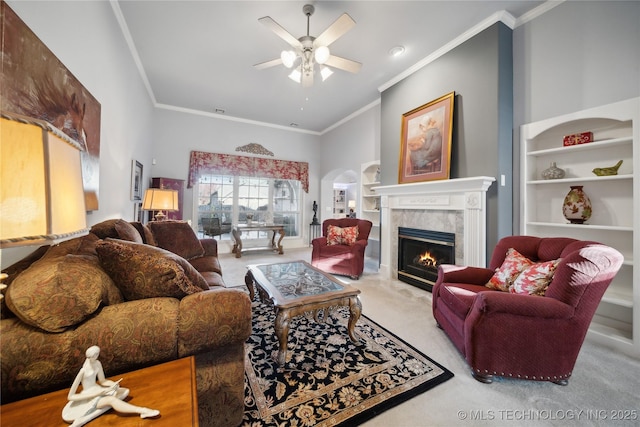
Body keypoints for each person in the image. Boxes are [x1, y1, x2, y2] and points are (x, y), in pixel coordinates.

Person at [62, 346, 159, 427]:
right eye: (95, 355)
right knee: (112, 400)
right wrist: (97, 393)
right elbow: (71, 396)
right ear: (89, 357)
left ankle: (83, 419)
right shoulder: (83, 371)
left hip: (98, 390)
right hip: (89, 396)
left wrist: (113, 384)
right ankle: (142, 411)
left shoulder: (97, 363)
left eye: (97, 354)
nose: (97, 356)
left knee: (125, 392)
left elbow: (103, 381)